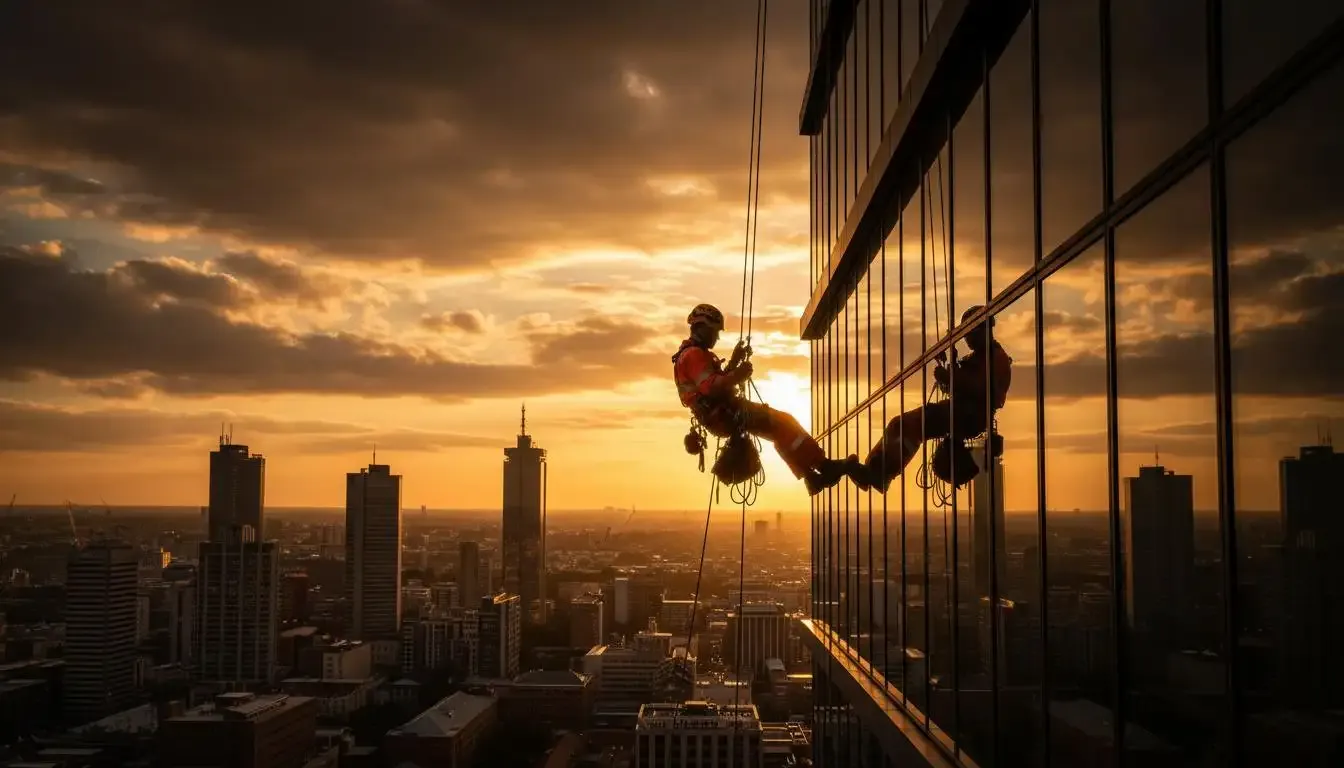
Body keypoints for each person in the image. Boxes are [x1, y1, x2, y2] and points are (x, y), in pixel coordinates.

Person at [673, 303, 865, 496]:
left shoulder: (692, 354)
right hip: (725, 412)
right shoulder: (693, 355)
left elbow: (714, 384)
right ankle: (823, 467)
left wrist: (734, 362)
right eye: (714, 331)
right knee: (783, 422)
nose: (716, 337)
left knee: (778, 430)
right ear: (702, 327)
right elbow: (712, 387)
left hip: (722, 414)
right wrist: (737, 375)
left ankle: (811, 476)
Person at [860, 305, 1013, 493]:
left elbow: (979, 387)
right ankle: (879, 471)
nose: (967, 339)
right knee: (905, 427)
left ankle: (880, 471)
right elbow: (962, 386)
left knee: (905, 426)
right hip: (964, 413)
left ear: (982, 330)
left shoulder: (997, 358)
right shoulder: (982, 357)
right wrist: (947, 374)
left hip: (967, 415)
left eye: (969, 333)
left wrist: (949, 376)